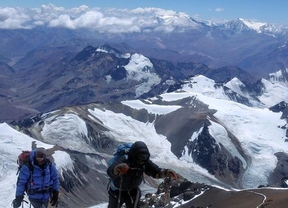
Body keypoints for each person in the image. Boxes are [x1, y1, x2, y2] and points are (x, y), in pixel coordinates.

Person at [107, 141, 178, 208]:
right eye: (140, 157)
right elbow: (110, 171)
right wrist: (117, 168)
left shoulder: (144, 162)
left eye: (145, 157)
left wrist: (166, 172)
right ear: (134, 155)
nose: (142, 160)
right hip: (117, 191)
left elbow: (155, 171)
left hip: (133, 191)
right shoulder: (124, 159)